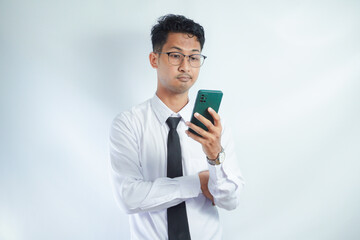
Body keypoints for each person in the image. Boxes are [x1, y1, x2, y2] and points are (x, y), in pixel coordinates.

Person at [109, 14, 245, 240]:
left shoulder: (214, 128)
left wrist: (214, 158)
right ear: (154, 59)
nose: (185, 66)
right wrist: (197, 183)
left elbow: (230, 200)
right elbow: (128, 197)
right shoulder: (128, 124)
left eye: (193, 57)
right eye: (175, 56)